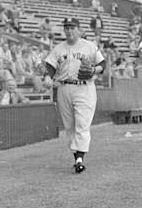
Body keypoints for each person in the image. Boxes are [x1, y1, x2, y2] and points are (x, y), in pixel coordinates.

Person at [43, 18, 105, 173]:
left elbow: (102, 64)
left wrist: (93, 71)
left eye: (72, 27)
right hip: (64, 88)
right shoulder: (58, 48)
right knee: (69, 126)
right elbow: (50, 65)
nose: (69, 30)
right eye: (67, 28)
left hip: (84, 88)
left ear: (79, 29)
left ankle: (79, 159)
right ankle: (77, 157)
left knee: (82, 124)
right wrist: (47, 76)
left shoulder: (89, 46)